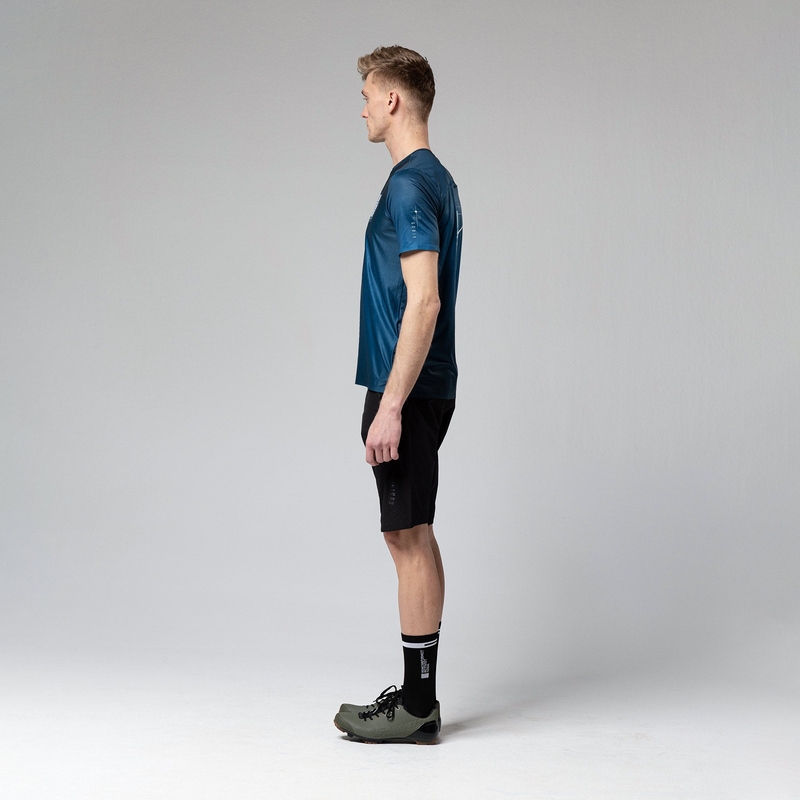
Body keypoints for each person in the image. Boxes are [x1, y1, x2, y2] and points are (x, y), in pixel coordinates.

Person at [333, 45, 463, 745]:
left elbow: (425, 301)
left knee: (407, 537)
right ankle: (421, 697)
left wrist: (389, 406)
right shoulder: (437, 180)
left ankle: (416, 706)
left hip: (404, 387)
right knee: (412, 533)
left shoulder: (411, 184)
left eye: (365, 95)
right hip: (422, 384)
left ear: (392, 99)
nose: (360, 109)